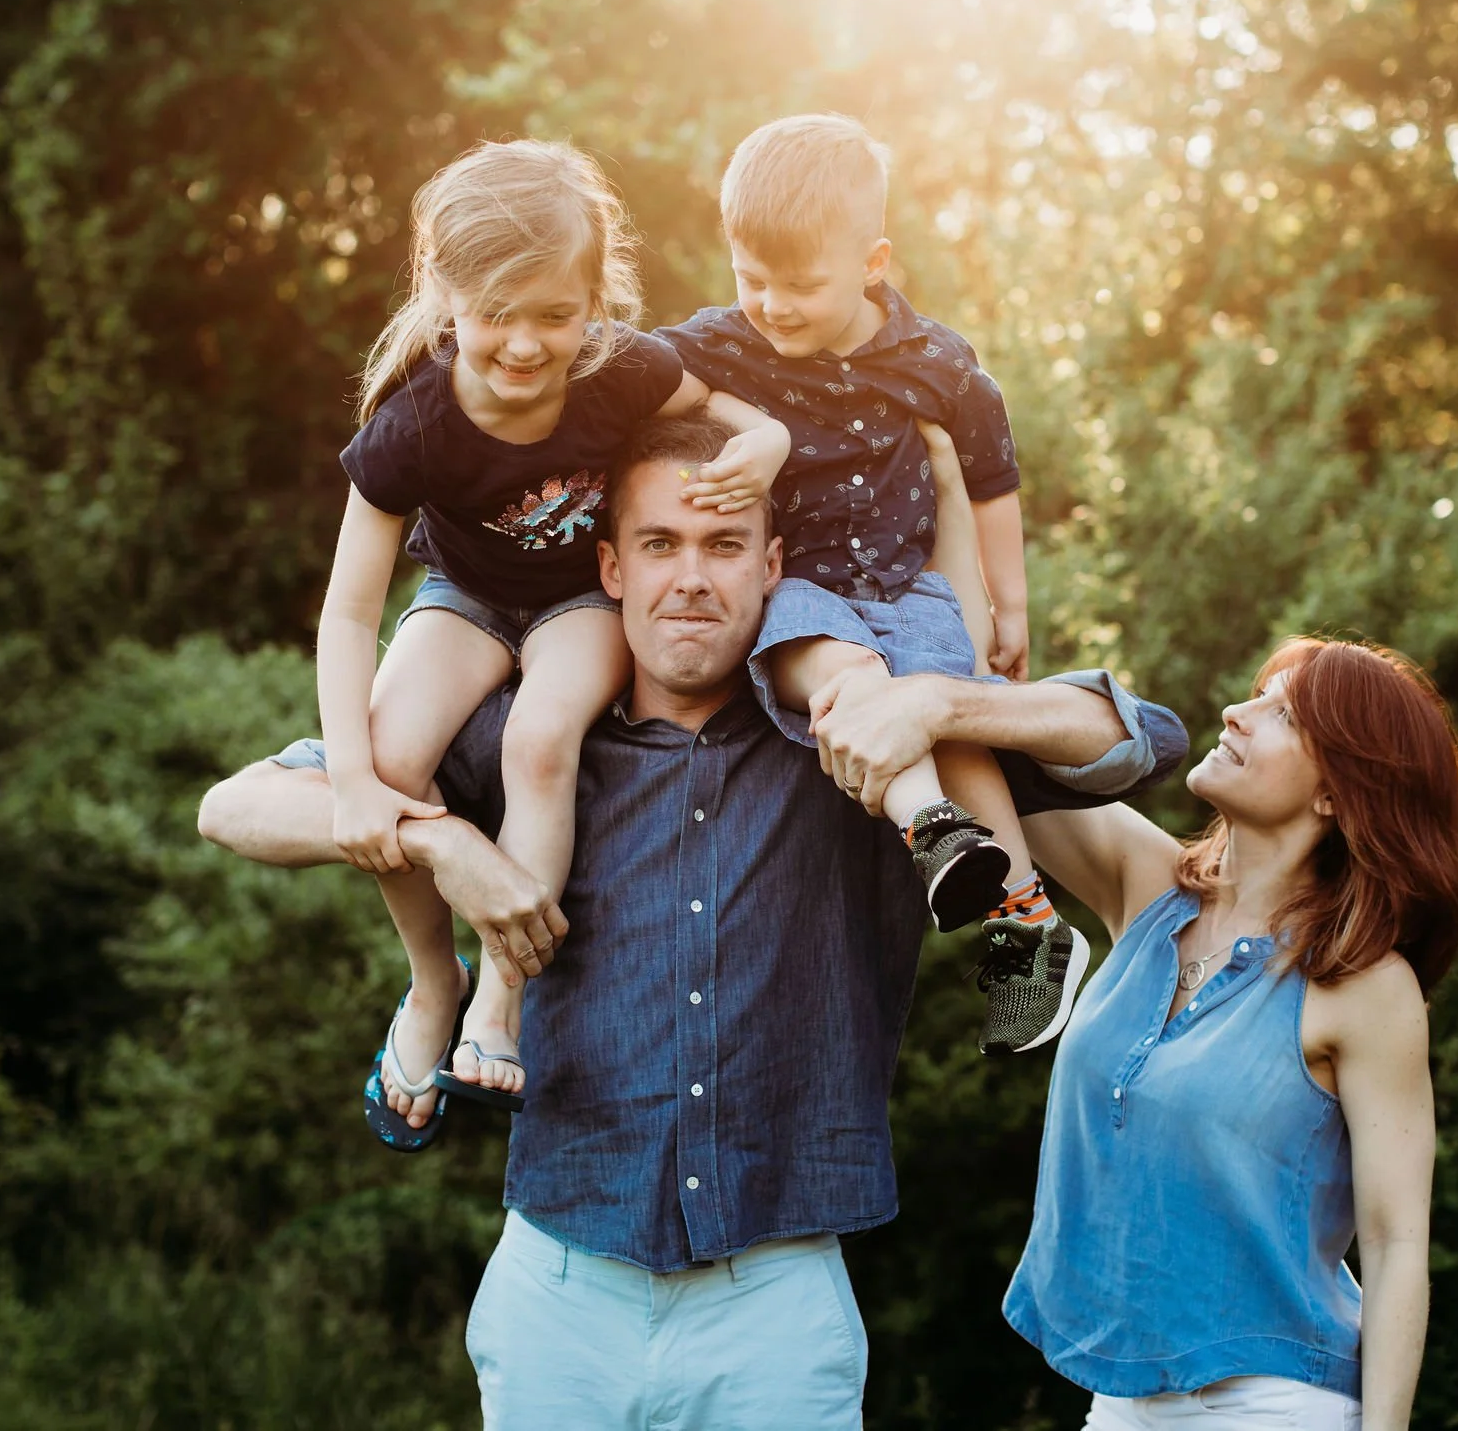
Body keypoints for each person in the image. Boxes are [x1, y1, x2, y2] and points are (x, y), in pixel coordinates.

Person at [195, 410, 1189, 1429]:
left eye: (721, 546)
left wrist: (936, 705)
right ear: (611, 567)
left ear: (772, 564)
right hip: (558, 1292)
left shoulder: (858, 745)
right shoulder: (520, 737)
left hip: (776, 1302)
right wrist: (446, 845)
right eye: (661, 544)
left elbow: (1141, 737)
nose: (691, 578)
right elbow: (233, 807)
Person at [812, 637, 1458, 1431]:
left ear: (1337, 791)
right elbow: (986, 747)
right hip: (1123, 1402)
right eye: (1256, 692)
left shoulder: (1365, 983)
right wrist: (914, 687)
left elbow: (1397, 1240)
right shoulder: (1150, 888)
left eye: (1282, 713)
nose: (1236, 711)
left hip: (1273, 1400)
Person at [318, 138, 788, 1144]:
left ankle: (500, 1000)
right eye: (496, 315)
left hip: (580, 597)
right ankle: (432, 980)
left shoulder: (616, 371)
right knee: (396, 756)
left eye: (555, 314)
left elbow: (723, 409)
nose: (527, 345)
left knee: (540, 741)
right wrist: (354, 778)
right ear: (447, 298)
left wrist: (769, 442)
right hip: (465, 597)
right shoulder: (412, 425)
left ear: (593, 300)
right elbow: (350, 611)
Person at [656, 113, 1086, 1057]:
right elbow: (632, 376)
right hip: (803, 585)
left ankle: (1026, 924)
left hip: (911, 585)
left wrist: (1011, 606)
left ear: (872, 262)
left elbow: (990, 476)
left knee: (951, 712)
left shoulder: (936, 360)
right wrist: (741, 417)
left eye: (800, 284)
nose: (770, 303)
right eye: (750, 277)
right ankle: (934, 828)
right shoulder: (724, 347)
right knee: (829, 664)